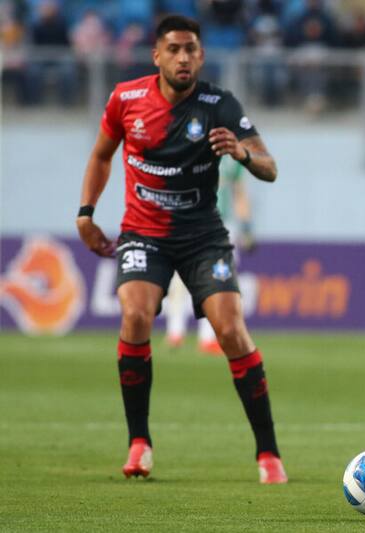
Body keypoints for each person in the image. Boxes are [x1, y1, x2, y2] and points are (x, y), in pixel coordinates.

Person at [75, 14, 287, 484]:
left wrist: (243, 153)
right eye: (173, 49)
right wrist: (86, 212)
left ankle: (268, 453)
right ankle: (139, 443)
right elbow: (102, 155)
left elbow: (270, 168)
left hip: (202, 237)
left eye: (191, 48)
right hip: (143, 234)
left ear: (202, 56)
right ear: (157, 56)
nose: (183, 57)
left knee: (231, 330)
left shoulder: (220, 104)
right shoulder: (125, 99)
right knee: (134, 315)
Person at [165, 155, 255, 354]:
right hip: (188, 221)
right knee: (179, 279)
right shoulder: (188, 147)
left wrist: (247, 227)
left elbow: (239, 193)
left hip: (221, 225)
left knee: (217, 281)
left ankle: (208, 336)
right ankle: (175, 331)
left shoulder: (232, 158)